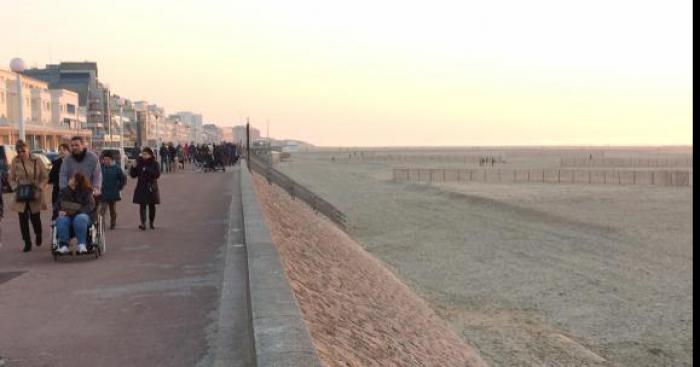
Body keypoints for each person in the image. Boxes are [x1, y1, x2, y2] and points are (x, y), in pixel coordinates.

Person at [10, 140, 48, 252]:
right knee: (22, 219)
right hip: (21, 192)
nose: (21, 153)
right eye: (18, 151)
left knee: (35, 217)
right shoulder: (15, 161)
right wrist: (15, 187)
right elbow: (11, 177)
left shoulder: (37, 160)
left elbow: (45, 177)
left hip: (35, 191)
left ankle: (38, 234)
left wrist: (40, 187)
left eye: (23, 151)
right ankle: (27, 242)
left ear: (28, 149)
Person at [54, 172, 96, 254]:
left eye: (71, 179)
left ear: (76, 182)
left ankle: (82, 245)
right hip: (67, 216)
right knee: (61, 219)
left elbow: (90, 206)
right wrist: (59, 211)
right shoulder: (63, 191)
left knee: (79, 218)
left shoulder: (86, 191)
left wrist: (76, 211)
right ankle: (64, 246)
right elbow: (58, 204)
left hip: (83, 216)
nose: (69, 180)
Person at [130, 147, 160, 230]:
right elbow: (133, 175)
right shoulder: (139, 163)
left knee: (151, 206)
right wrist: (133, 167)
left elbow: (157, 174)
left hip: (151, 187)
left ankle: (151, 223)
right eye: (142, 154)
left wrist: (147, 169)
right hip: (141, 187)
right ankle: (143, 223)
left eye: (145, 154)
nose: (143, 156)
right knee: (142, 206)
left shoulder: (154, 163)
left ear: (150, 155)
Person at [100, 151, 127, 229]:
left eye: (107, 159)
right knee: (102, 210)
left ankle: (113, 223)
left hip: (113, 192)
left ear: (111, 160)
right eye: (104, 159)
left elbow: (123, 179)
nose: (105, 161)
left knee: (112, 210)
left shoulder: (117, 168)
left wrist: (119, 187)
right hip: (103, 192)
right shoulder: (101, 168)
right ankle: (101, 225)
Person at [48, 143, 70, 220]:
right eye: (60, 150)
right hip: (57, 191)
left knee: (68, 211)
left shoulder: (73, 162)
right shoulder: (56, 162)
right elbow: (50, 177)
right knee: (57, 211)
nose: (62, 151)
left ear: (68, 151)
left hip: (70, 191)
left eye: (64, 149)